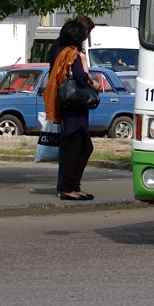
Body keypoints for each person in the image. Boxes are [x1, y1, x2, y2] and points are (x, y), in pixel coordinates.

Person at [44, 15, 97, 201]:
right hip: (74, 107)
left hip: (69, 105)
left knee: (82, 145)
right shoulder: (73, 54)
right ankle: (69, 188)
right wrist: (84, 63)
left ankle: (73, 186)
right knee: (76, 146)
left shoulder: (60, 51)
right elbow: (80, 79)